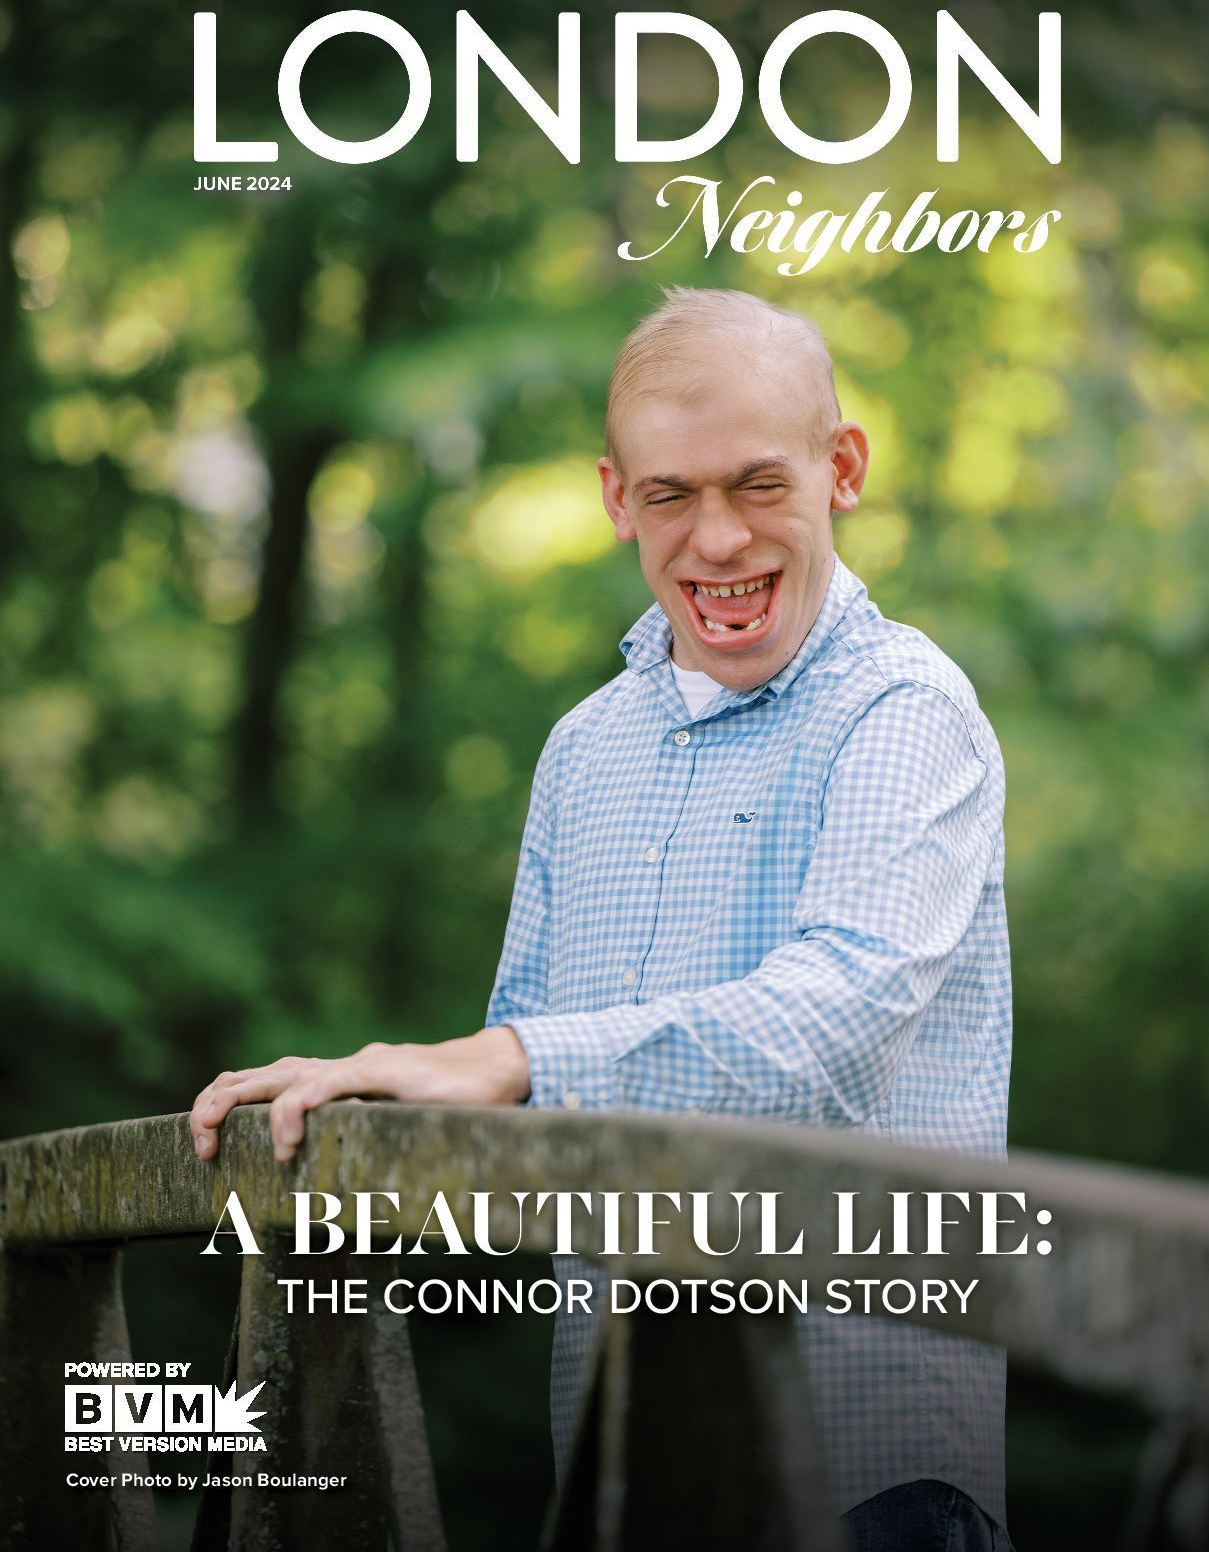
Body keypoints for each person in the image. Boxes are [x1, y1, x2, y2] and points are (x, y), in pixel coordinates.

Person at [189, 286, 1014, 1550]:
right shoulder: (584, 750)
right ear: (617, 499)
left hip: (865, 1469)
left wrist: (506, 1061)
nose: (719, 539)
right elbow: (517, 1103)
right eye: (672, 494)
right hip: (615, 1464)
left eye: (757, 484)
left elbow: (824, 1038)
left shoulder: (903, 712)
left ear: (840, 468)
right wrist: (360, 1113)